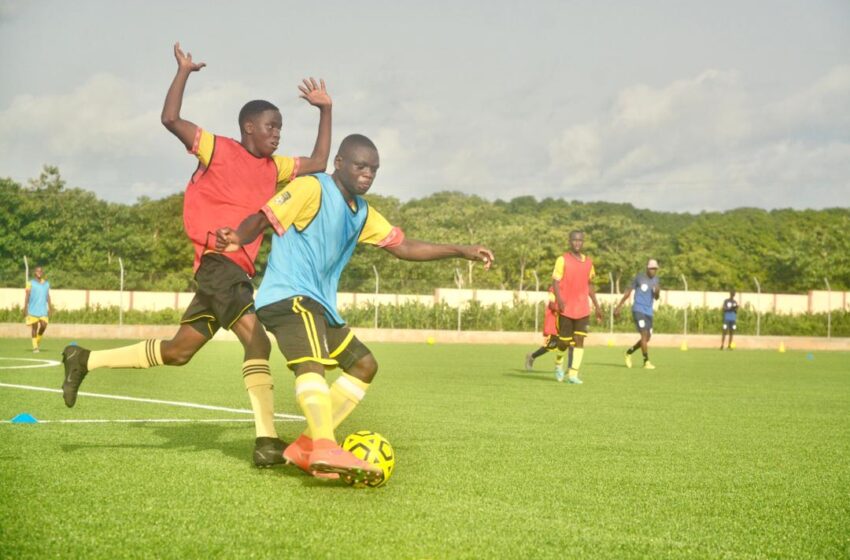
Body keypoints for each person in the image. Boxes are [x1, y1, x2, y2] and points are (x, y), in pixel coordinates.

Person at [60, 42, 332, 468]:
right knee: (258, 340)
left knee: (178, 352)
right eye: (271, 126)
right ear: (248, 127)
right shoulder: (217, 148)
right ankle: (266, 441)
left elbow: (319, 161)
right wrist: (184, 71)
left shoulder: (275, 168)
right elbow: (170, 119)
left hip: (233, 272)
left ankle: (84, 359)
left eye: (280, 127)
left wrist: (325, 110)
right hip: (218, 265)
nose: (278, 133)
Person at [216, 134, 494, 483]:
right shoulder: (311, 188)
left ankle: (305, 446)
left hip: (319, 305)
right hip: (289, 297)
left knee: (364, 365)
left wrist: (461, 250)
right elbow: (263, 217)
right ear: (339, 163)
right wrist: (238, 238)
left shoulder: (362, 213)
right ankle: (324, 445)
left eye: (374, 169)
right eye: (361, 166)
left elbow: (404, 246)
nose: (368, 174)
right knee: (311, 363)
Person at [549, 230, 603, 384]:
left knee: (579, 340)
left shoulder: (589, 263)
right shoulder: (562, 260)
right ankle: (558, 362)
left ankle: (573, 374)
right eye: (574, 240)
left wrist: (597, 305)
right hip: (566, 307)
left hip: (583, 308)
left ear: (583, 242)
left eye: (580, 240)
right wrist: (559, 299)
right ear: (570, 241)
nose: (577, 243)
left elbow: (589, 285)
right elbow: (555, 282)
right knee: (564, 343)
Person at [614, 259, 661, 369]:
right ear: (647, 268)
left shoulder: (656, 280)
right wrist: (619, 306)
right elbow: (628, 292)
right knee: (644, 335)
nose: (653, 271)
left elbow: (656, 298)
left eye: (655, 269)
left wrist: (657, 292)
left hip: (649, 312)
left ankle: (629, 352)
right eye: (651, 268)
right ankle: (646, 361)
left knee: (647, 338)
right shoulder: (639, 277)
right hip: (638, 310)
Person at [524, 288, 560, 371]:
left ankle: (563, 367)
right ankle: (532, 356)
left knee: (566, 343)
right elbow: (551, 304)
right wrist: (561, 309)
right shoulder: (553, 289)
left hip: (564, 321)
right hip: (554, 321)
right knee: (549, 346)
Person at [24, 266, 51, 353]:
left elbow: (48, 295)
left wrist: (50, 307)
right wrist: (25, 307)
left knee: (44, 325)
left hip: (43, 310)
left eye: (40, 271)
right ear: (35, 272)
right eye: (37, 271)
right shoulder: (30, 283)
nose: (39, 272)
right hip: (33, 309)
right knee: (34, 328)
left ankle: (37, 341)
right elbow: (27, 295)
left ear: (42, 273)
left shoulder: (46, 284)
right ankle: (35, 347)